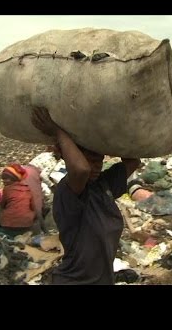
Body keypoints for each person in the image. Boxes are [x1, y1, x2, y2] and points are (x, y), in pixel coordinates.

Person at [31, 107, 140, 285]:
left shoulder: (104, 185)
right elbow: (81, 170)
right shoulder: (67, 191)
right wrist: (57, 132)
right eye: (89, 159)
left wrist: (112, 136)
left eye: (99, 160)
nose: (96, 166)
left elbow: (133, 161)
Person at [0, 164, 40, 238]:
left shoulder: (7, 189)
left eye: (6, 179)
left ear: (14, 179)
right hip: (26, 226)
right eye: (3, 179)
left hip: (7, 225)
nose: (4, 181)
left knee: (0, 210)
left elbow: (2, 205)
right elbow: (33, 207)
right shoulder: (28, 189)